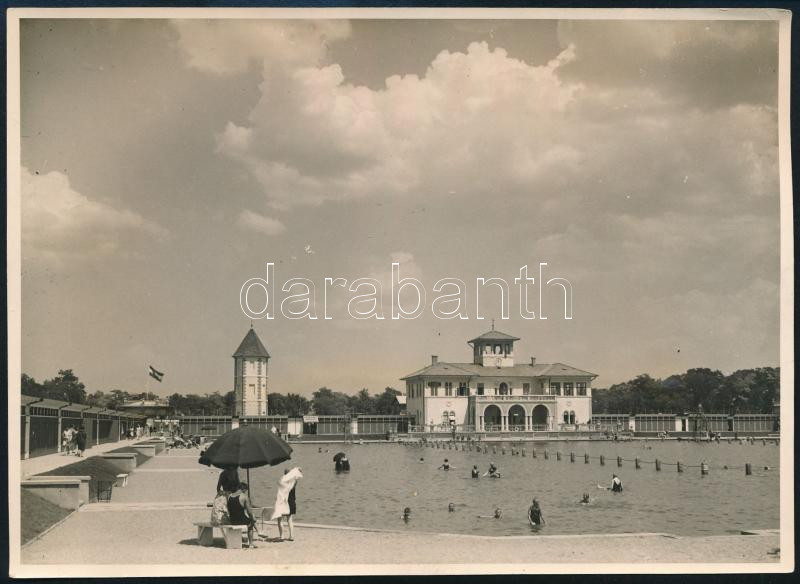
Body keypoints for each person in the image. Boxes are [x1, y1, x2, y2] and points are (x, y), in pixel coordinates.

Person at [271, 467, 303, 541]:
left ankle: (282, 536)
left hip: (283, 502)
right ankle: (291, 536)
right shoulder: (294, 482)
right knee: (289, 519)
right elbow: (298, 474)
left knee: (280, 519)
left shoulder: (283, 482)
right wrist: (298, 470)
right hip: (291, 502)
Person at [226, 482, 259, 548]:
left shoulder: (229, 496)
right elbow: (249, 512)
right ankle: (251, 544)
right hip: (240, 521)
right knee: (251, 523)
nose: (245, 492)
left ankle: (257, 532)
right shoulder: (244, 497)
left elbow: (228, 509)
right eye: (245, 491)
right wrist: (252, 519)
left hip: (232, 520)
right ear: (243, 489)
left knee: (250, 519)